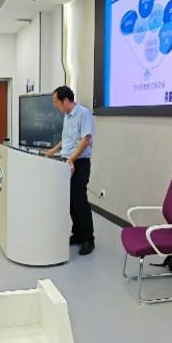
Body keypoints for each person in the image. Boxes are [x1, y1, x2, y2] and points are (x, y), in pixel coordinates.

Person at [45, 85, 96, 256]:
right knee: (70, 201)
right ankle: (78, 234)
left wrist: (72, 159)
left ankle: (89, 239)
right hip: (66, 161)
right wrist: (53, 150)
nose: (55, 106)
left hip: (79, 163)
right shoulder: (67, 116)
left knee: (79, 200)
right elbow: (66, 139)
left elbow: (85, 140)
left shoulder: (83, 114)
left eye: (56, 102)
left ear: (66, 100)